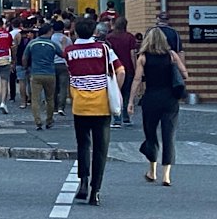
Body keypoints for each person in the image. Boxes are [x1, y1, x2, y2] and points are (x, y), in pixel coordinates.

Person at [64, 18, 125, 206]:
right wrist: (116, 90)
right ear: (94, 32)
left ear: (75, 32)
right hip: (102, 105)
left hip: (80, 105)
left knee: (83, 145)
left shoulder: (69, 52)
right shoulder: (104, 49)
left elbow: (70, 74)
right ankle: (95, 191)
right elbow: (120, 71)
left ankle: (82, 183)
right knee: (100, 149)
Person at [127, 27, 188, 187]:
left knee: (151, 134)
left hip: (151, 99)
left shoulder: (143, 58)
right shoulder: (171, 55)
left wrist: (131, 101)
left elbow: (137, 80)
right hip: (170, 100)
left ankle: (152, 170)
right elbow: (185, 74)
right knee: (169, 136)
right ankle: (166, 175)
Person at [22, 24, 63, 130]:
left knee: (35, 99)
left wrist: (25, 68)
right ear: (49, 31)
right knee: (50, 98)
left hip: (36, 73)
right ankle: (49, 120)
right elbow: (63, 55)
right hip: (50, 73)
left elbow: (25, 57)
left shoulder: (32, 43)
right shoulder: (52, 44)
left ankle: (38, 121)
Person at [106, 17, 138, 127]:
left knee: (115, 93)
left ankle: (117, 118)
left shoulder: (109, 37)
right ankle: (126, 117)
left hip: (113, 69)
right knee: (126, 93)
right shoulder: (130, 37)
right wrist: (136, 68)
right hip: (127, 68)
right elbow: (132, 54)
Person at [51, 21, 71, 116]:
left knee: (54, 87)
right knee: (63, 87)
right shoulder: (67, 39)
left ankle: (54, 107)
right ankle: (61, 107)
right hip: (64, 64)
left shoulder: (50, 39)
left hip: (52, 64)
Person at [9, 19, 23, 103]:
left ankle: (12, 96)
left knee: (12, 78)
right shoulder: (23, 33)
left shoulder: (10, 34)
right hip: (23, 56)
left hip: (14, 57)